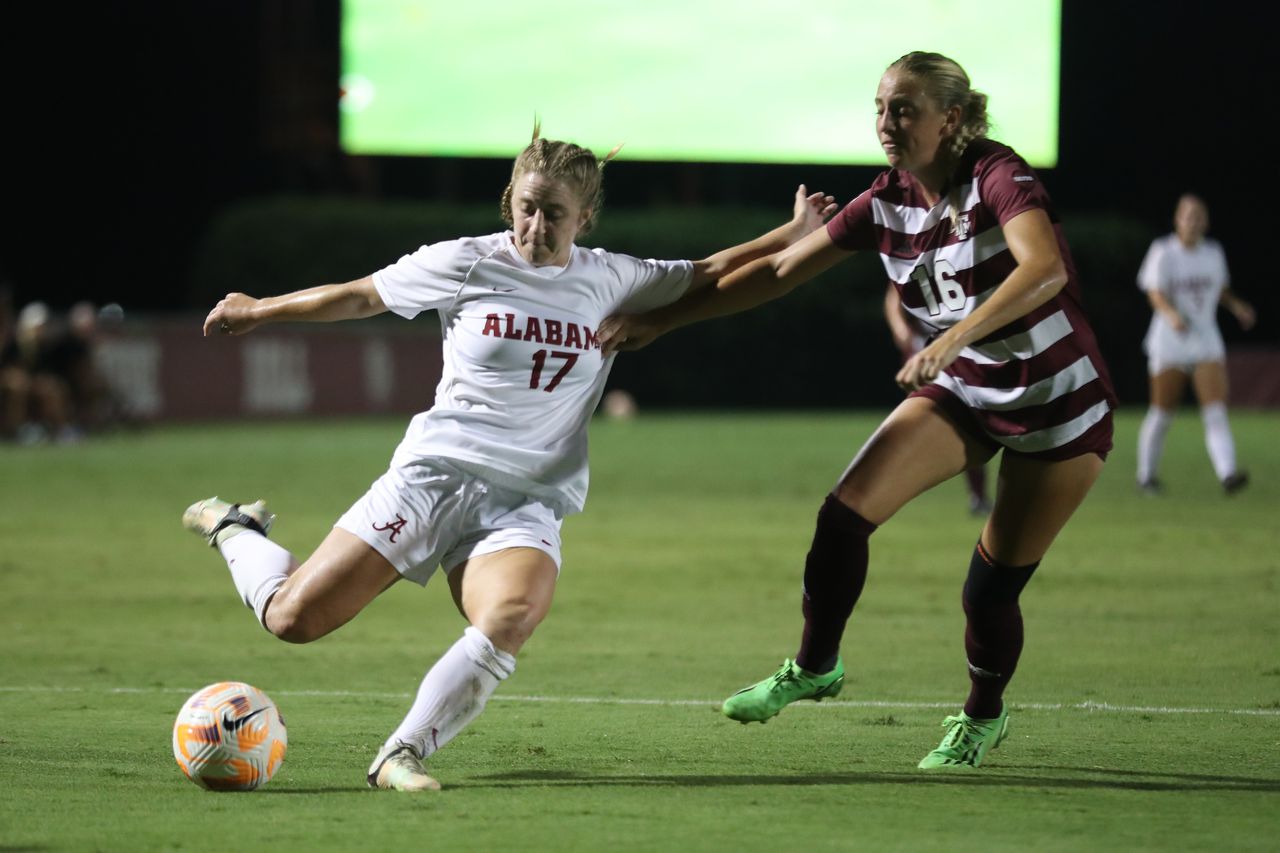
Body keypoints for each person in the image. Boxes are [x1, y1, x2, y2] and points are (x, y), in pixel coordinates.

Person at [183, 127, 836, 791]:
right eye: (526, 206)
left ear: (584, 218)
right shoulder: (466, 261)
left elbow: (708, 272)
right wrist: (258, 309)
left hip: (524, 499)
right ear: (509, 202)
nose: (537, 223)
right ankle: (237, 529)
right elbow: (362, 295)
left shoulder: (610, 277)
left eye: (555, 212)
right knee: (294, 619)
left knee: (511, 615)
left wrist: (792, 232)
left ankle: (400, 753)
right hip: (432, 476)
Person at [599, 51, 1117, 769]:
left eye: (903, 109)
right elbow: (779, 271)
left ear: (953, 119)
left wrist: (953, 339)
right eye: (880, 107)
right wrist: (666, 322)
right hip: (967, 386)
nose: (886, 122)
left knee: (989, 591)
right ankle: (816, 665)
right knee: (844, 513)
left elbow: (1045, 268)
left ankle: (982, 715)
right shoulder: (884, 202)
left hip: (1056, 403)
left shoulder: (1000, 175)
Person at [1135, 194, 1255, 495]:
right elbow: (1154, 292)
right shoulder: (1163, 251)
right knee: (1163, 413)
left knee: (1215, 410)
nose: (1194, 222)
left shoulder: (1213, 252)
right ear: (1177, 220)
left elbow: (1220, 290)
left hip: (1204, 339)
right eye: (1188, 216)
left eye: (1199, 216)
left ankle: (1227, 475)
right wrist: (1171, 314)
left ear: (1206, 221)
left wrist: (1237, 306)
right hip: (1169, 341)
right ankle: (1146, 475)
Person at [883, 282, 991, 515]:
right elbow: (893, 298)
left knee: (970, 422)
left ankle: (978, 494)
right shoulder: (911, 253)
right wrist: (901, 330)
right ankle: (898, 489)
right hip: (925, 347)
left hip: (961, 344)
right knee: (924, 419)